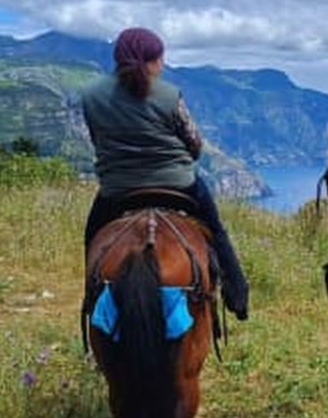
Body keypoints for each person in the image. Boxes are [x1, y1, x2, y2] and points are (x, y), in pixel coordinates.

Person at [82, 27, 248, 320]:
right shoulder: (169, 95)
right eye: (160, 58)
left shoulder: (91, 96)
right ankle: (237, 295)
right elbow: (194, 143)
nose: (162, 64)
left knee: (93, 235)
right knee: (216, 230)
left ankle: (92, 298)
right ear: (151, 61)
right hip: (178, 184)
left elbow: (99, 141)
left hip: (117, 188)